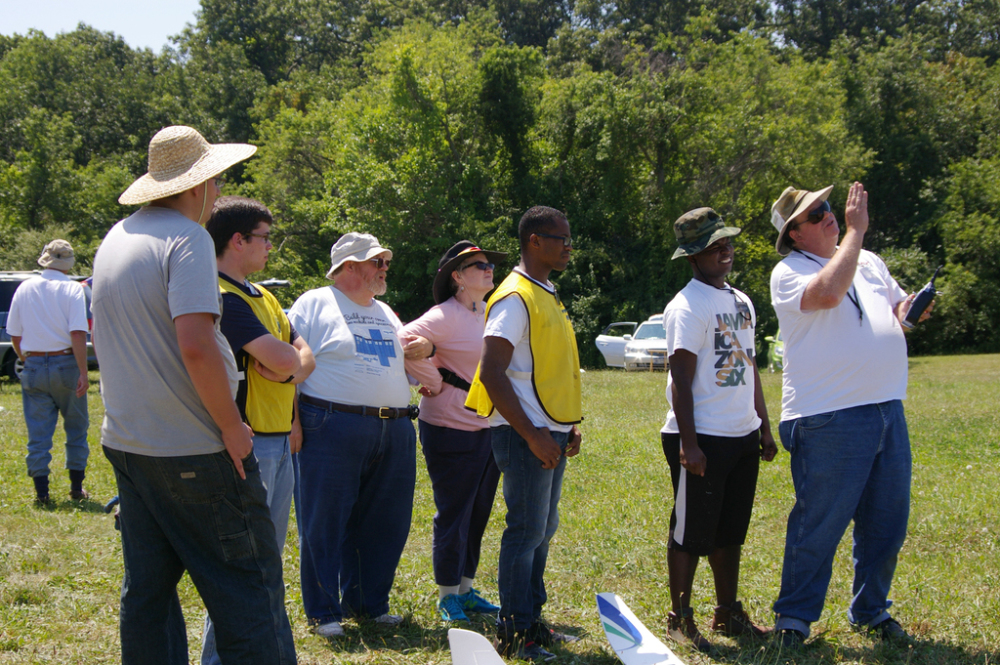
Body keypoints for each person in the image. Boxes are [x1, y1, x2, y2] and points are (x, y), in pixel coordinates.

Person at [91, 126, 296, 665]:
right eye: (217, 177)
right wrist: (232, 428)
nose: (220, 187)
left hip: (131, 444)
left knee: (149, 595)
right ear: (198, 184)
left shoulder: (117, 238)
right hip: (195, 449)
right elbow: (198, 346)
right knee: (249, 591)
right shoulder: (188, 240)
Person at [768, 182, 931, 647]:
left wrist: (910, 310)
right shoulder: (789, 271)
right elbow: (827, 295)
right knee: (820, 522)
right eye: (814, 214)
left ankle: (871, 609)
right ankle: (794, 620)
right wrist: (856, 234)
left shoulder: (871, 260)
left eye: (825, 207)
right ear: (795, 235)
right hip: (827, 416)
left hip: (886, 408)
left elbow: (895, 310)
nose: (827, 216)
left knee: (887, 522)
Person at [288, 232, 429, 639]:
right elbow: (292, 365)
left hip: (394, 427)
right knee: (324, 520)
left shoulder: (385, 310)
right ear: (349, 267)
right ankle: (323, 611)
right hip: (331, 424)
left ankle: (369, 604)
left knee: (386, 522)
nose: (385, 268)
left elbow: (398, 363)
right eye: (377, 262)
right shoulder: (314, 303)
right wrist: (293, 422)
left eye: (385, 260)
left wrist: (420, 351)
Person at [201, 196, 316, 665]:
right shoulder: (222, 297)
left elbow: (301, 354)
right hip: (248, 445)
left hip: (277, 443)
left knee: (266, 565)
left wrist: (289, 368)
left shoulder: (263, 295)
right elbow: (292, 357)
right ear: (237, 240)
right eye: (265, 237)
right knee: (243, 568)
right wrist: (291, 364)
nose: (271, 246)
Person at [466, 206, 583, 661]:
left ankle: (532, 618)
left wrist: (568, 424)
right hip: (523, 436)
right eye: (561, 238)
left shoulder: (546, 292)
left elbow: (549, 369)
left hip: (549, 431)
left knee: (542, 528)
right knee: (525, 530)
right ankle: (515, 632)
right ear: (534, 240)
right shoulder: (514, 296)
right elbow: (492, 373)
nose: (568, 245)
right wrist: (534, 434)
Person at [659, 208, 777, 653]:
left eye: (726, 241)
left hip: (740, 433)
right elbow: (681, 381)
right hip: (701, 437)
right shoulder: (687, 306)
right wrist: (689, 445)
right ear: (693, 256)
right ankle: (679, 617)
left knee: (731, 530)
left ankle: (728, 612)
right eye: (714, 245)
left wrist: (763, 426)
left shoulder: (741, 300)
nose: (725, 249)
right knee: (690, 531)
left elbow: (749, 369)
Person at [401, 240, 508, 622]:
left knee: (478, 512)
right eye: (477, 266)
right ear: (457, 278)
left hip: (488, 427)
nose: (487, 269)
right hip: (450, 427)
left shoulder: (491, 311)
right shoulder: (442, 315)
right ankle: (447, 594)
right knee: (455, 511)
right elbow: (401, 341)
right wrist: (433, 376)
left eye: (489, 264)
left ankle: (465, 588)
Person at [7, 239, 90, 505]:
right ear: (68, 263)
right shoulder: (73, 290)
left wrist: (26, 360)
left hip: (32, 365)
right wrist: (83, 372)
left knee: (38, 434)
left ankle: (41, 492)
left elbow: (15, 335)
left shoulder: (24, 288)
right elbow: (77, 332)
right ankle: (76, 488)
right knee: (76, 429)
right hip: (65, 363)